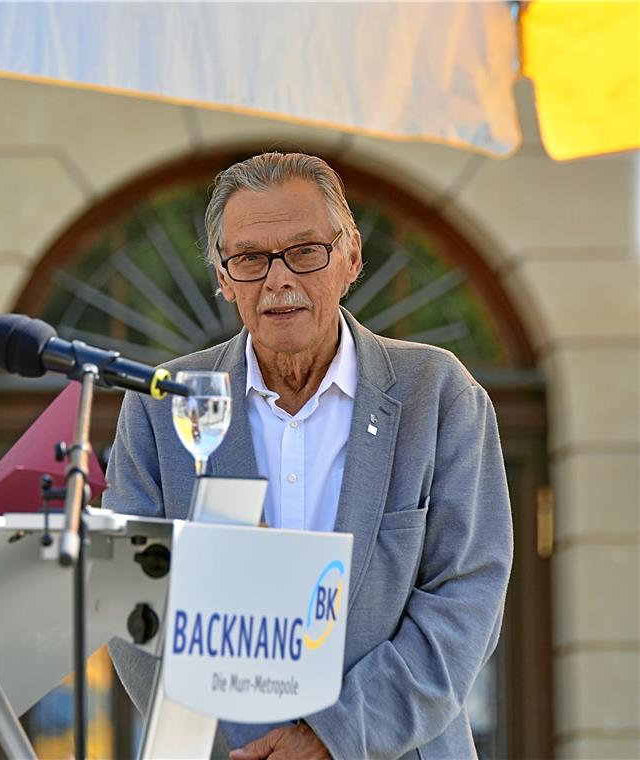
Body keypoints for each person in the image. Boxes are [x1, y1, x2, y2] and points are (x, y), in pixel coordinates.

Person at [103, 152, 512, 759]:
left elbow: (465, 598)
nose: (278, 280)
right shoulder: (166, 403)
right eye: (249, 259)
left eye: (305, 251)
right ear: (222, 276)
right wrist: (250, 747)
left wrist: (332, 737)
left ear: (351, 257)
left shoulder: (437, 393)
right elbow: (131, 603)